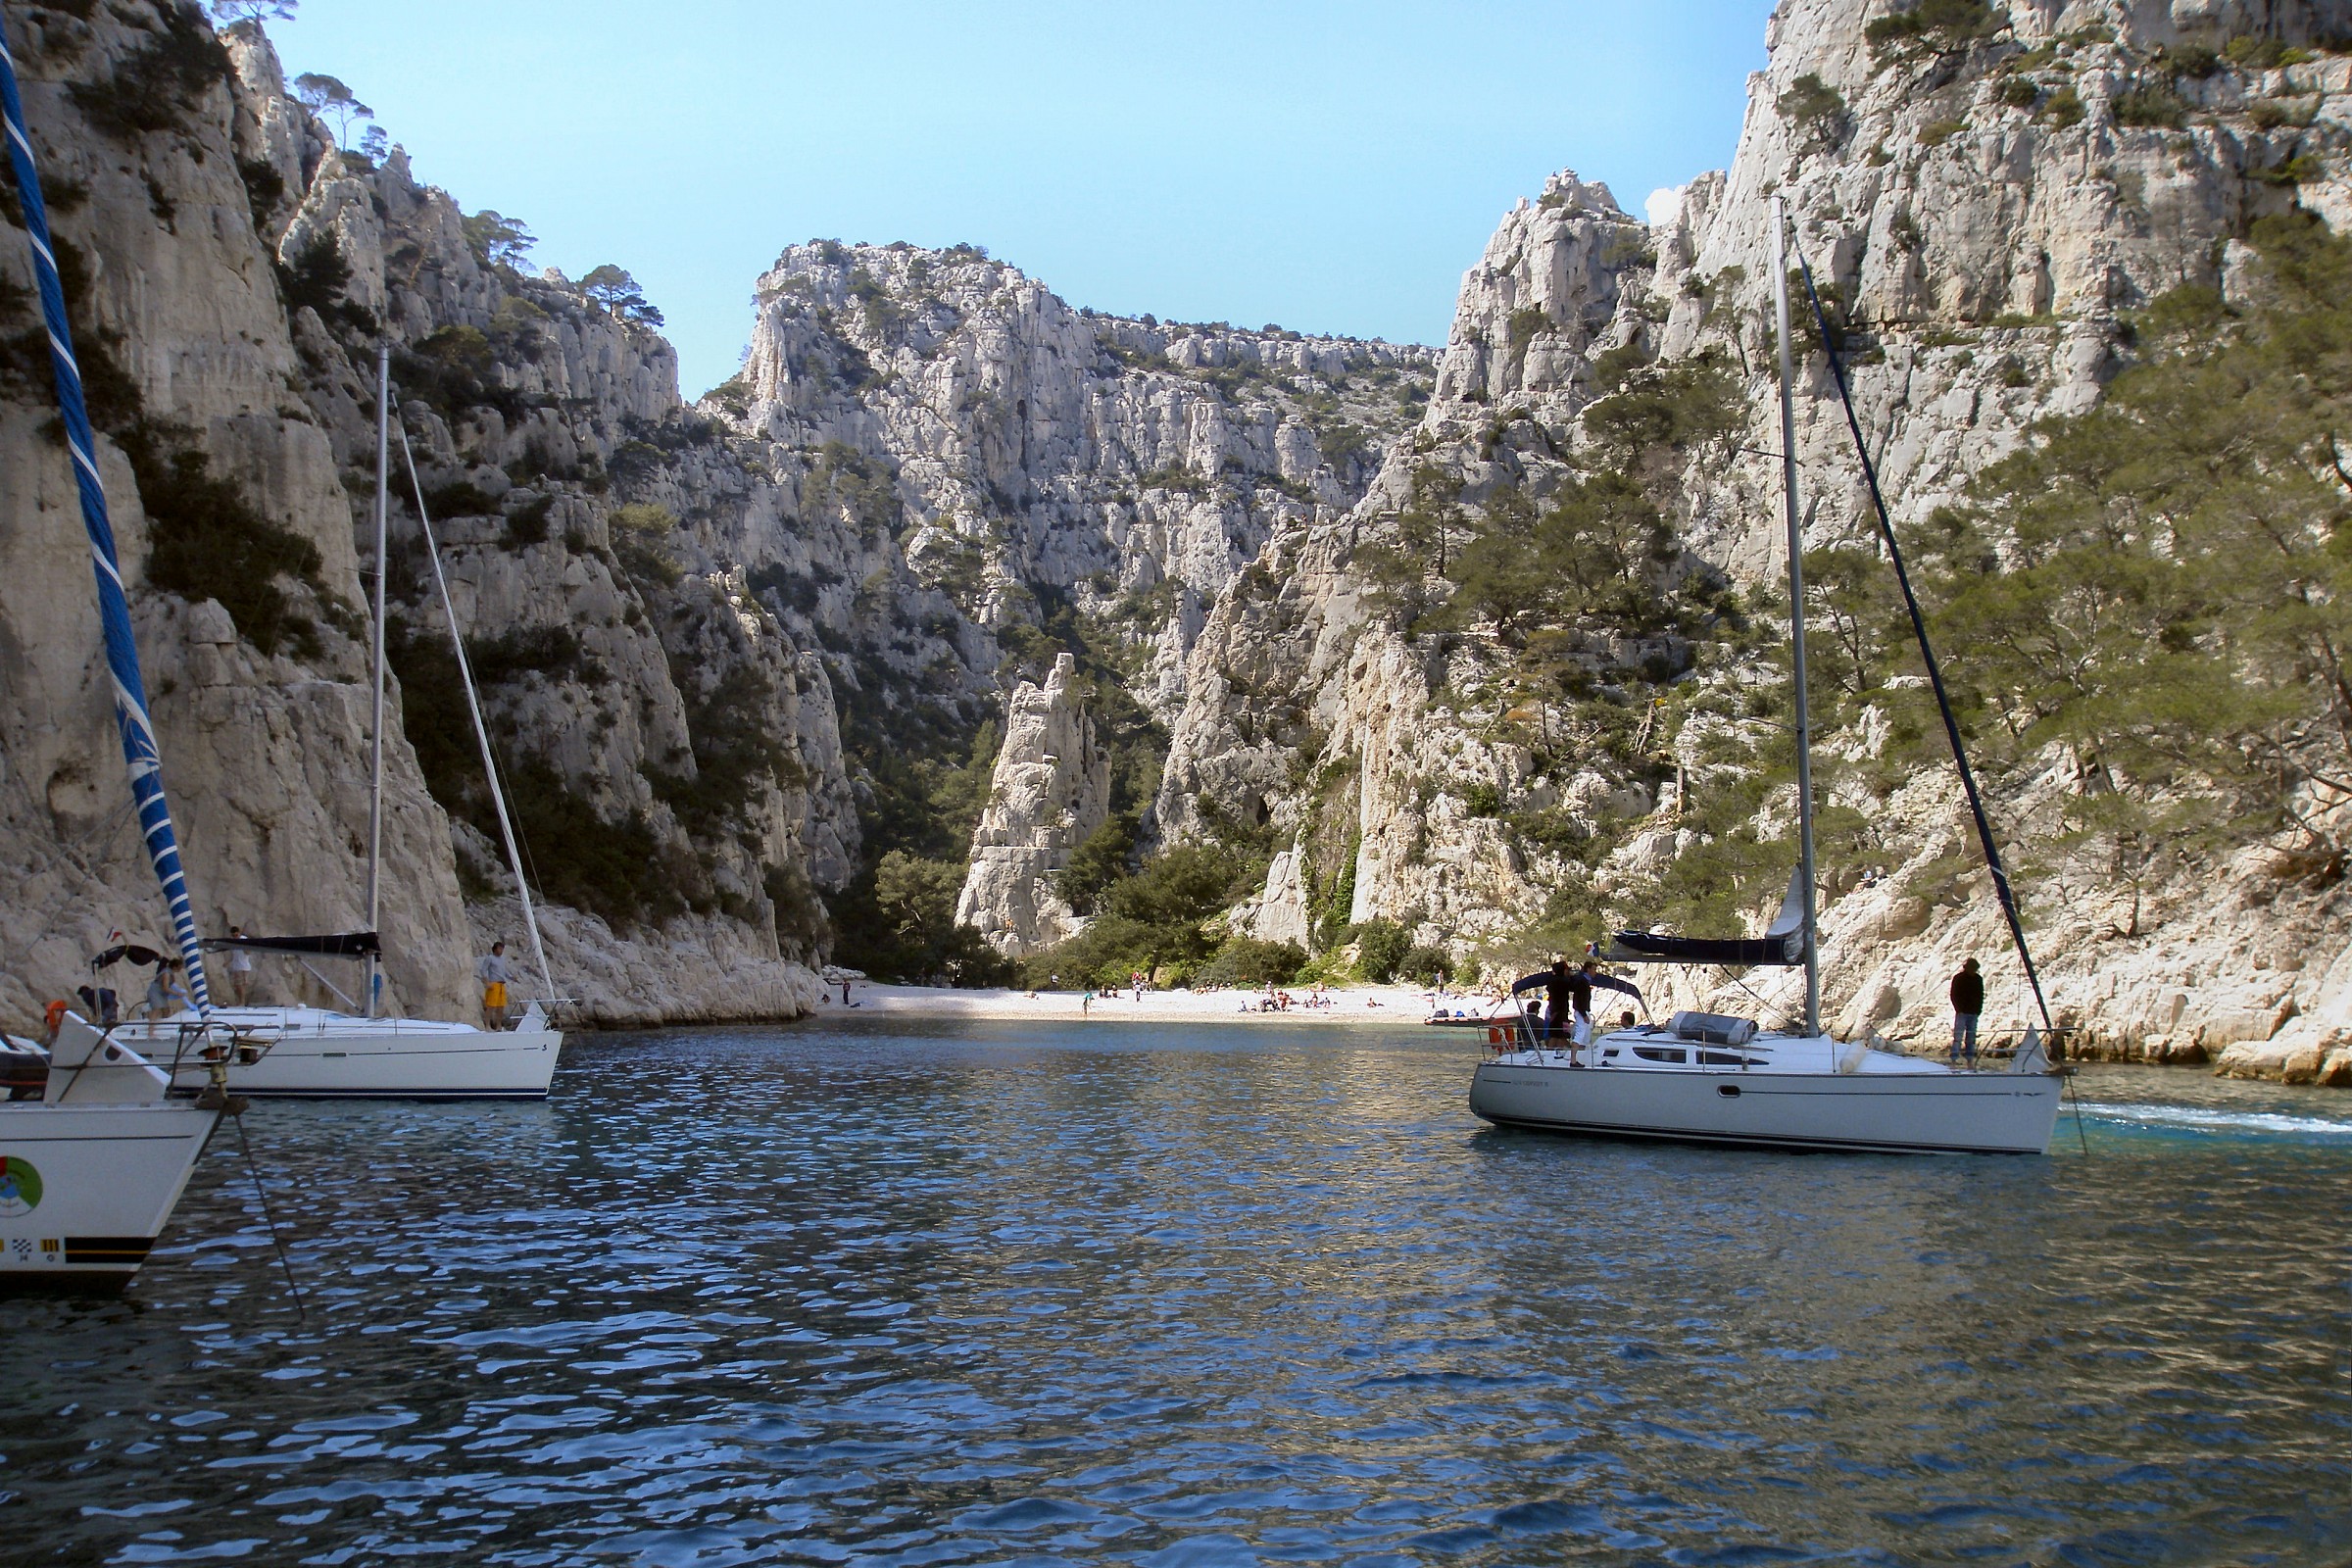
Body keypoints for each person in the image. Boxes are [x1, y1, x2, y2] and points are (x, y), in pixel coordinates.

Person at [1950, 957, 1984, 1067]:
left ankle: (1970, 1060)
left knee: (1971, 1037)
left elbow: (1980, 995)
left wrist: (1978, 1010)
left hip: (1973, 1012)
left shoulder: (1978, 979)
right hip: (1962, 1012)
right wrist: (1958, 1009)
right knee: (1958, 1037)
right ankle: (1954, 1060)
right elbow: (1954, 995)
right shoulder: (1959, 978)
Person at [477, 941, 514, 1031]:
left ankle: (498, 1026)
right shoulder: (490, 958)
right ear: (495, 949)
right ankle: (487, 1025)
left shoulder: (502, 959)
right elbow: (483, 970)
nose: (501, 951)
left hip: (502, 984)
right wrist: (487, 983)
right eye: (499, 948)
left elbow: (504, 971)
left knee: (501, 1007)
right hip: (494, 984)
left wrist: (511, 977)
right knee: (491, 1006)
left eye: (502, 949)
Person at [224, 925, 255, 1006]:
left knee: (241, 985)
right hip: (237, 966)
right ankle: (242, 1001)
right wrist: (227, 962)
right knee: (238, 985)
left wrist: (243, 947)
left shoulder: (244, 940)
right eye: (233, 936)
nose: (235, 937)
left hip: (244, 966)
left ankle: (242, 1002)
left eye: (236, 935)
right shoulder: (233, 942)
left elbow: (248, 951)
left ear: (239, 933)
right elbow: (233, 954)